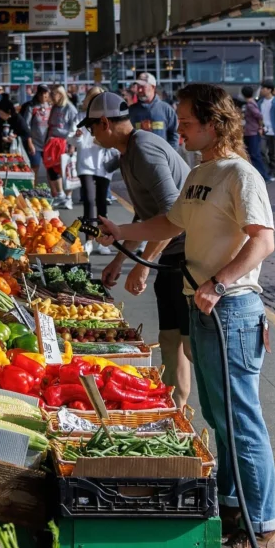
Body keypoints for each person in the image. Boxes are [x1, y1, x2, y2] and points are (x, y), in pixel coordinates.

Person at [97, 83, 275, 548]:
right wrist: (122, 234)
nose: (178, 130)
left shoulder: (240, 175)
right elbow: (168, 223)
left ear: (215, 124)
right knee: (221, 421)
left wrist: (219, 284)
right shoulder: (201, 173)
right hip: (204, 309)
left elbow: (262, 242)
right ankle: (230, 513)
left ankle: (264, 531)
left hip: (233, 310)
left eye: (187, 123)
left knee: (242, 423)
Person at [79, 91, 193, 407]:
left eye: (91, 127)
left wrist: (143, 262)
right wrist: (121, 258)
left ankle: (188, 407)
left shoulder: (144, 150)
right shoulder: (129, 152)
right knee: (170, 338)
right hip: (171, 255)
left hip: (186, 256)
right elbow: (145, 212)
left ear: (104, 123)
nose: (90, 134)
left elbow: (175, 217)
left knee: (189, 343)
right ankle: (175, 407)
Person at [74, 87, 119, 257]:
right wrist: (78, 137)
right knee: (89, 201)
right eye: (93, 99)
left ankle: (103, 240)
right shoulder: (82, 117)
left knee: (101, 203)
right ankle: (89, 239)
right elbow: (74, 140)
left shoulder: (107, 117)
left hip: (103, 165)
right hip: (85, 163)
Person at [43, 85, 78, 210]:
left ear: (60, 95)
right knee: (52, 168)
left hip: (65, 142)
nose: (51, 97)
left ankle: (68, 198)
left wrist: (72, 145)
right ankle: (60, 194)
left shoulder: (70, 109)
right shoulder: (54, 107)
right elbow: (50, 125)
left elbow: (75, 128)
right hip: (52, 142)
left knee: (66, 171)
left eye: (54, 94)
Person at [129, 72, 179, 149]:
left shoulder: (166, 109)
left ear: (153, 87)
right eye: (138, 86)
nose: (139, 90)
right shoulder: (131, 111)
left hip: (161, 157)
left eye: (143, 86)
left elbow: (174, 135)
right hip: (138, 158)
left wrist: (170, 156)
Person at [240, 85, 269, 182]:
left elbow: (259, 116)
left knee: (255, 155)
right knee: (253, 154)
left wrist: (260, 127)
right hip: (250, 132)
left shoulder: (249, 105)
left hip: (252, 132)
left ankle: (263, 176)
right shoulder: (252, 102)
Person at [258, 81, 275, 181]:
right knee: (261, 151)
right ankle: (267, 170)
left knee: (274, 154)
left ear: (269, 90)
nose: (261, 90)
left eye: (263, 88)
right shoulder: (260, 102)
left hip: (274, 131)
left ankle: (273, 173)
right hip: (263, 131)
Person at [21, 85, 51, 171]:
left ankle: (50, 185)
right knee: (34, 168)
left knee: (50, 169)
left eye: (45, 93)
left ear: (48, 94)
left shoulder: (51, 105)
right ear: (37, 94)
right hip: (34, 145)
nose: (43, 96)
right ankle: (34, 185)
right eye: (41, 93)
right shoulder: (31, 107)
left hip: (48, 144)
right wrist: (30, 143)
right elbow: (26, 126)